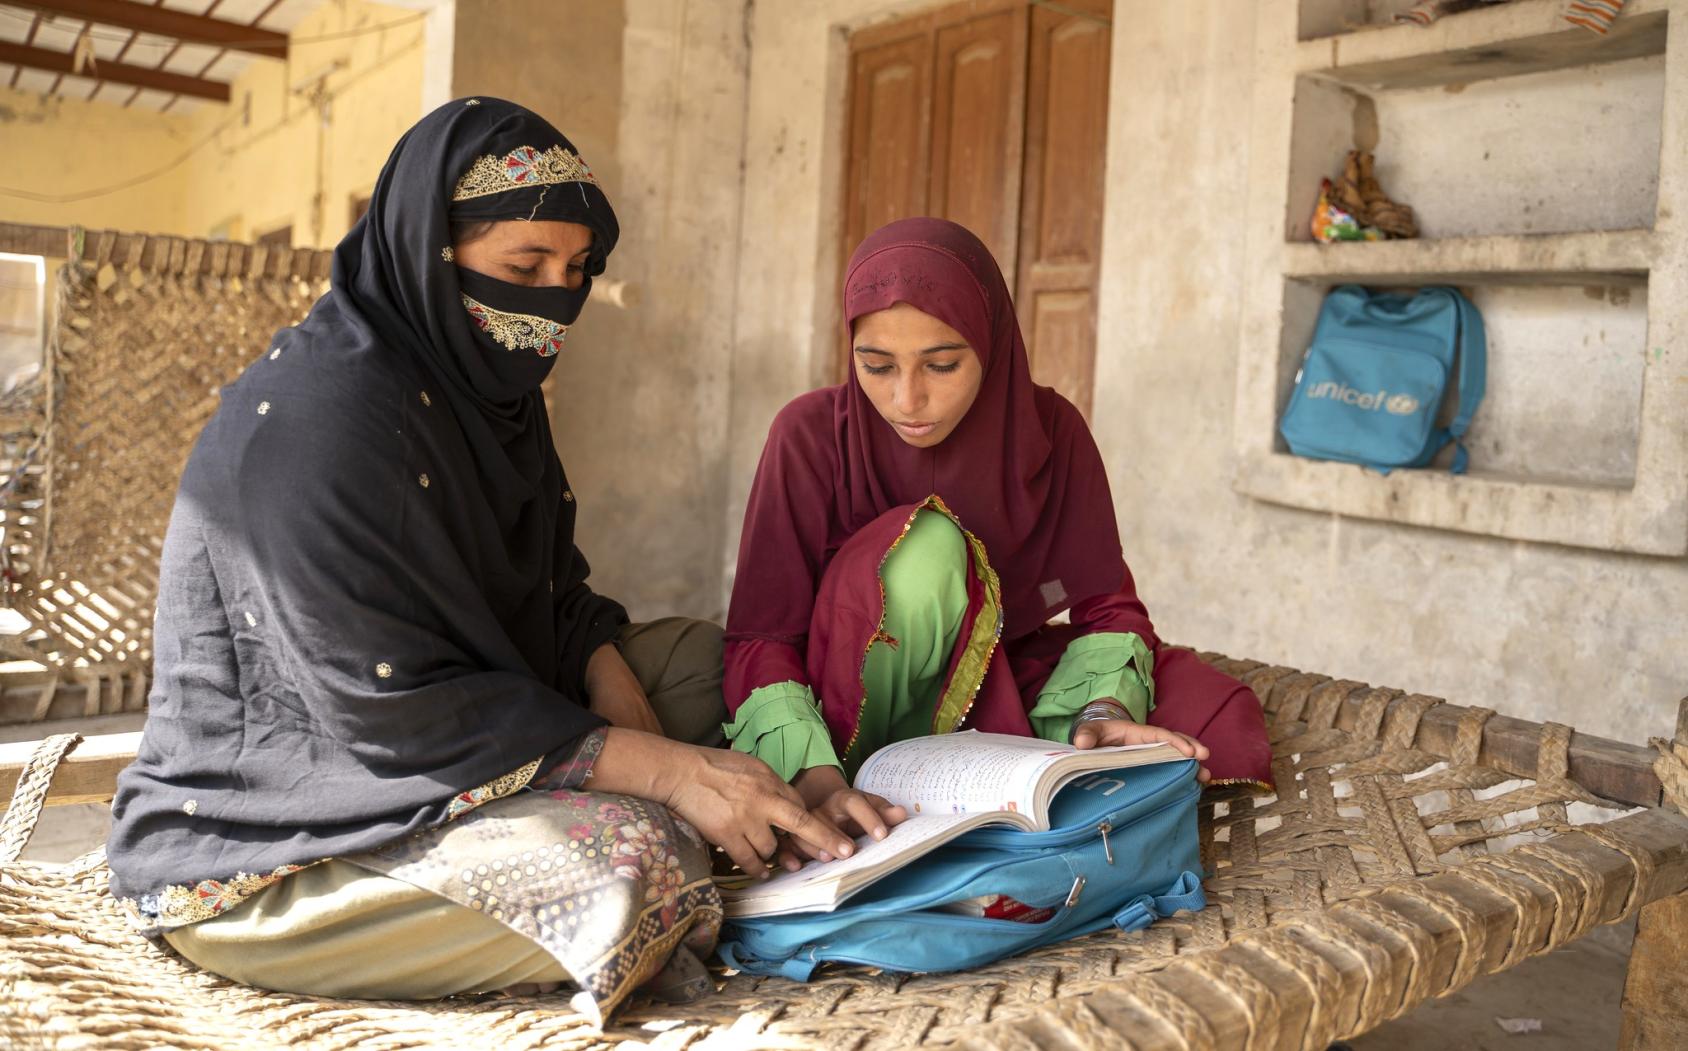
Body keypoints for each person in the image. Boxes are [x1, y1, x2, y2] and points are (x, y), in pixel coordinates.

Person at [106, 98, 855, 1020]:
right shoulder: (315, 425)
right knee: (636, 853)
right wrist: (662, 769)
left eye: (576, 270)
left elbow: (552, 583)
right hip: (280, 828)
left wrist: (610, 679)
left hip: (481, 710)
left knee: (708, 667)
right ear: (431, 253)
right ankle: (651, 874)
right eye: (523, 267)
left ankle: (723, 818)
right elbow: (385, 709)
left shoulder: (482, 389)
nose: (552, 302)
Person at [722, 218, 1274, 852]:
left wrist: (1102, 715)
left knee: (1206, 706)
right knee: (925, 547)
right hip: (843, 713)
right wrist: (813, 780)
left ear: (992, 342)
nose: (907, 399)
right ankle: (862, 782)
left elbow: (1109, 607)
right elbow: (760, 636)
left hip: (993, 686)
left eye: (943, 364)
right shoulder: (809, 435)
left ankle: (1035, 774)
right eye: (876, 366)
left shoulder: (1049, 431)